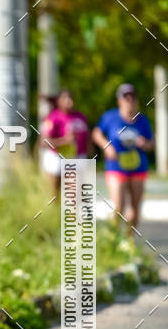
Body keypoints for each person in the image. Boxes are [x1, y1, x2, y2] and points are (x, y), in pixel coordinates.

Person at [92, 83, 155, 234]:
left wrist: (144, 143)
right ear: (119, 100)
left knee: (135, 210)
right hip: (116, 166)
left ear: (136, 100)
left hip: (138, 167)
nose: (130, 100)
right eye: (126, 97)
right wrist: (107, 146)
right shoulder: (110, 117)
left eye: (132, 97)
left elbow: (151, 144)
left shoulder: (143, 121)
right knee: (119, 206)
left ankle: (128, 241)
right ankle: (113, 238)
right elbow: (96, 133)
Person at [39, 89, 91, 193]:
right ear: (59, 101)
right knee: (55, 192)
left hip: (77, 157)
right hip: (57, 158)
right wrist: (64, 141)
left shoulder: (80, 117)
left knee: (75, 194)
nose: (69, 100)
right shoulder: (53, 117)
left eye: (70, 97)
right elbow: (43, 142)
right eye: (65, 98)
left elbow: (87, 137)